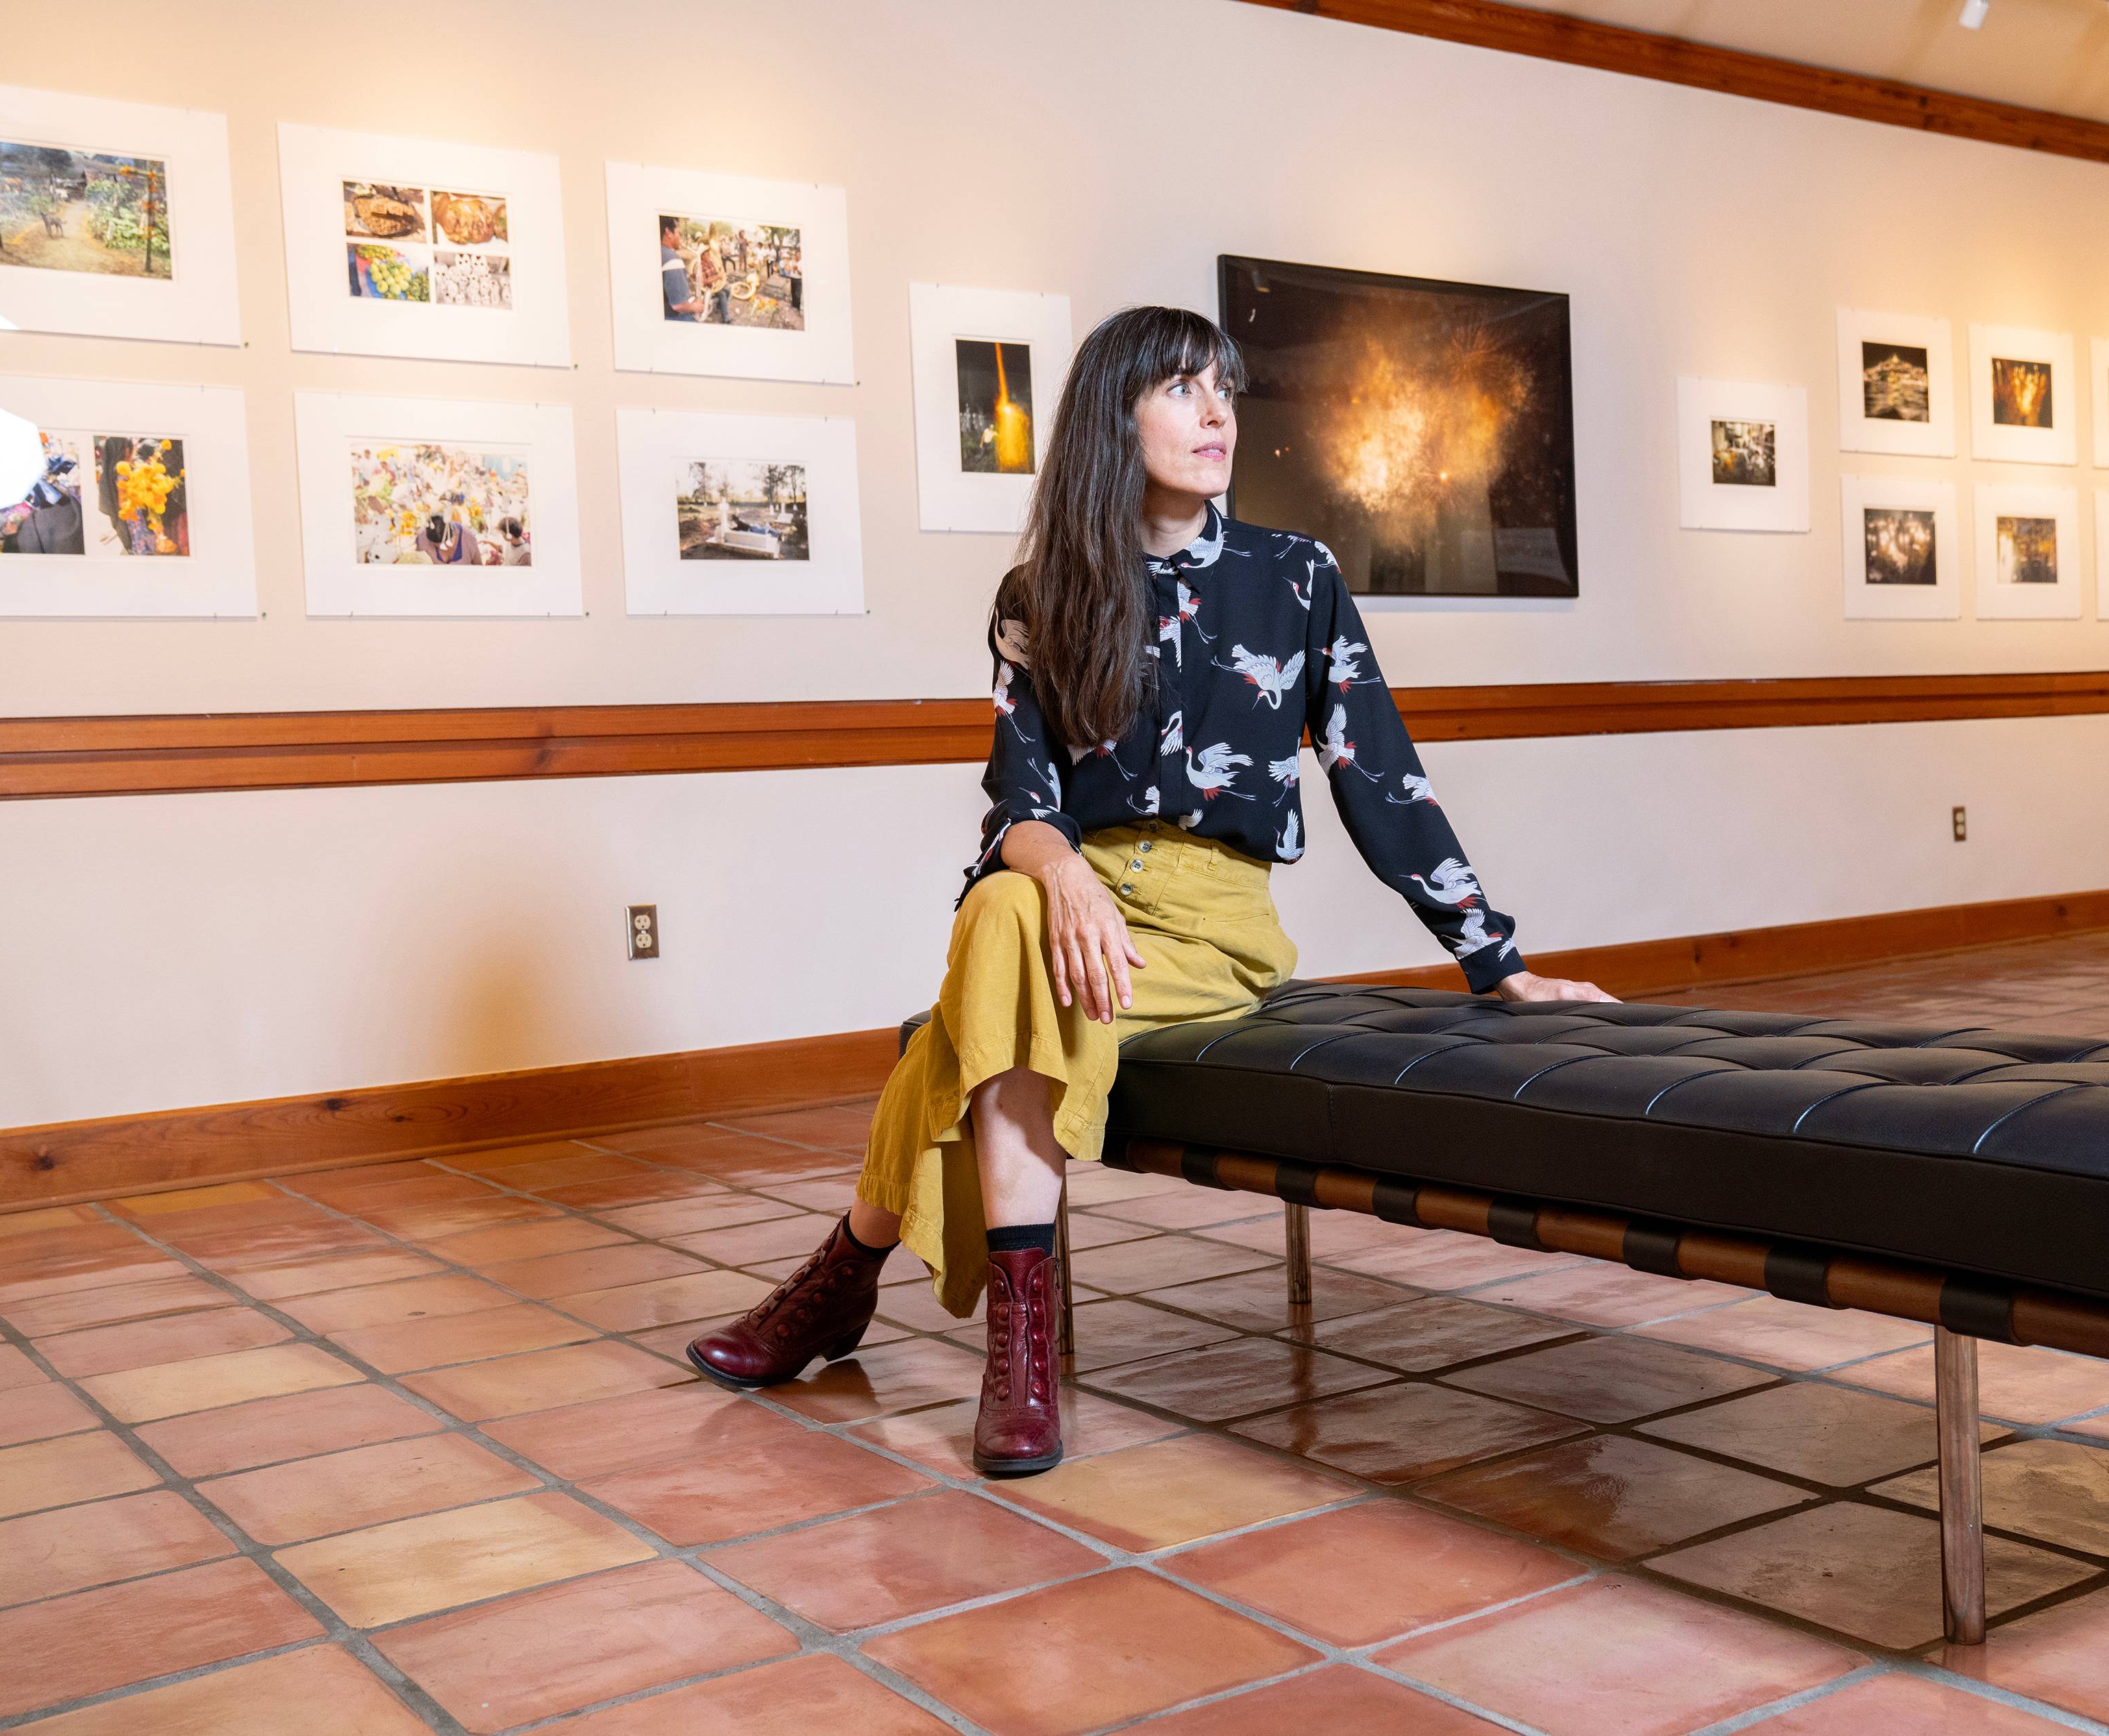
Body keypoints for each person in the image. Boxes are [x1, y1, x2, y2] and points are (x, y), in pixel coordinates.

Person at [687, 306, 1612, 1476]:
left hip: (1210, 919)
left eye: (1223, 386)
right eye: (1181, 388)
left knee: (980, 987)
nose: (1217, 410)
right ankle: (1013, 1347)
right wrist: (1063, 864)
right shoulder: (1041, 592)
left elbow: (1379, 776)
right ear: (1113, 418)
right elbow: (1018, 805)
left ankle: (846, 1275)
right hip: (1062, 894)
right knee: (1012, 911)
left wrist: (1497, 959)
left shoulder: (1296, 576)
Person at [659, 216, 700, 321]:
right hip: (674, 317)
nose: (680, 237)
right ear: (668, 232)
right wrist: (696, 306)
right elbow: (679, 306)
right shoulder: (672, 260)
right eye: (679, 233)